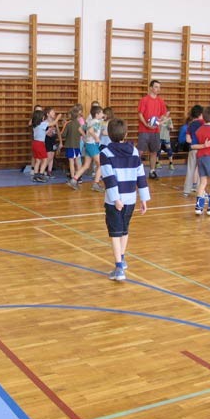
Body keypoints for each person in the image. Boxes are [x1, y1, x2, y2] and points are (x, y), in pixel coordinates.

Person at [99, 118, 150, 281]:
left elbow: (109, 179)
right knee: (124, 229)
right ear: (125, 134)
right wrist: (143, 198)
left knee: (115, 233)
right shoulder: (134, 151)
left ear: (109, 134)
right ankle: (121, 258)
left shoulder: (105, 153)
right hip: (130, 199)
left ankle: (119, 268)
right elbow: (141, 176)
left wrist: (115, 199)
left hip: (115, 201)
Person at [191, 106, 210, 216]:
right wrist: (206, 145)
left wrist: (203, 146)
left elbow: (193, 146)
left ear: (203, 118)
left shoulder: (198, 130)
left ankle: (199, 207)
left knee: (203, 182)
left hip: (200, 158)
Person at [68, 106, 105, 192]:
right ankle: (96, 183)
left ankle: (74, 180)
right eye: (101, 113)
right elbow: (91, 131)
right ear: (97, 114)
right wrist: (96, 137)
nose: (103, 114)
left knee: (86, 165)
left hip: (88, 144)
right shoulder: (97, 122)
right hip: (92, 145)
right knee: (101, 164)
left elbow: (80, 129)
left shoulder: (89, 121)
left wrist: (85, 136)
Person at [137, 80, 167, 179]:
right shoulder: (144, 100)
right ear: (150, 88)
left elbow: (163, 114)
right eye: (156, 87)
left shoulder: (161, 101)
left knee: (154, 152)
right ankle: (135, 171)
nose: (158, 89)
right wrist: (146, 124)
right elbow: (140, 114)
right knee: (140, 152)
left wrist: (158, 122)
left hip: (155, 131)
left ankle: (152, 171)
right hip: (144, 130)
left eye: (159, 87)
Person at [183, 105, 204, 196]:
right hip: (201, 150)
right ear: (201, 114)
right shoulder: (203, 123)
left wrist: (194, 143)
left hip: (192, 150)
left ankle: (186, 190)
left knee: (190, 170)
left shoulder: (190, 125)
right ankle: (200, 190)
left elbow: (188, 140)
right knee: (201, 171)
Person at [61, 107, 85, 182]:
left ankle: (72, 178)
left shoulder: (68, 124)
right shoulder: (78, 124)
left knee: (71, 162)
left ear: (70, 115)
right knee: (77, 161)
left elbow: (63, 135)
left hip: (70, 146)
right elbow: (82, 134)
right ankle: (79, 177)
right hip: (77, 146)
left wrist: (64, 126)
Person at [44, 107, 61, 178]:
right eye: (52, 112)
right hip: (47, 140)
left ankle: (49, 172)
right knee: (49, 156)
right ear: (48, 114)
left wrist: (61, 142)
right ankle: (41, 171)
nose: (54, 113)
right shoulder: (45, 122)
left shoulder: (54, 121)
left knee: (52, 156)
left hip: (53, 140)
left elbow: (58, 132)